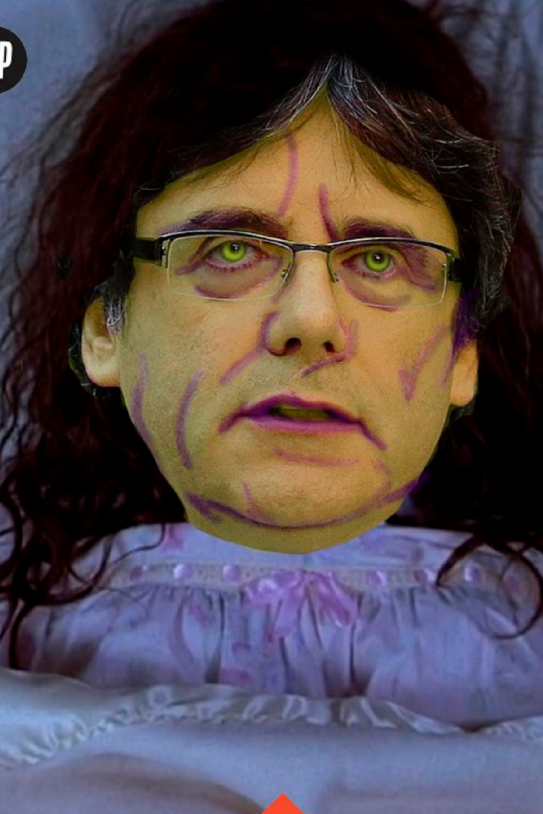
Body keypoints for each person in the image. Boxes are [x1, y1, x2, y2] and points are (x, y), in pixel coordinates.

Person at [0, 0, 542, 811]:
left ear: (462, 353)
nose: (309, 322)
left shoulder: (523, 614)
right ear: (106, 329)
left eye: (378, 258)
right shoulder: (29, 609)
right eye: (231, 249)